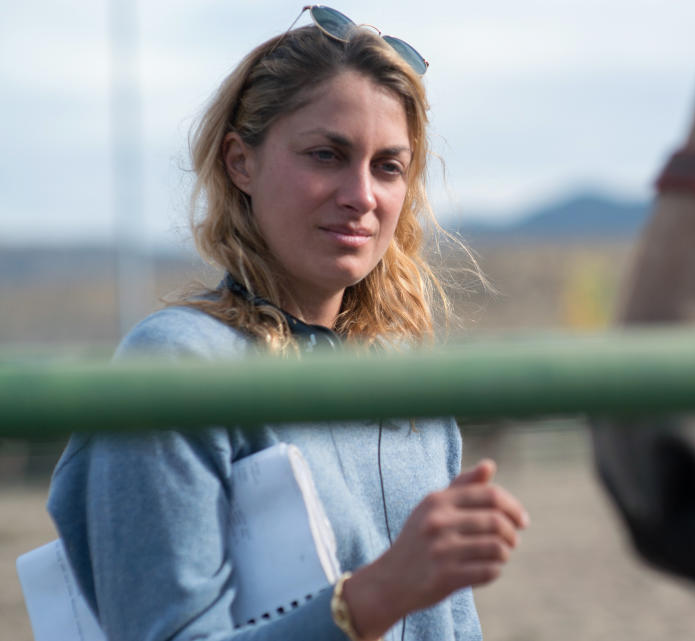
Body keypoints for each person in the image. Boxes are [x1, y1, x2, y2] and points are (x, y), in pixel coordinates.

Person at [46, 8, 528, 641]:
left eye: (389, 167)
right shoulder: (175, 367)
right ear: (240, 162)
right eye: (327, 155)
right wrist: (374, 597)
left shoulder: (415, 391)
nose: (362, 195)